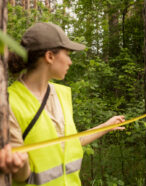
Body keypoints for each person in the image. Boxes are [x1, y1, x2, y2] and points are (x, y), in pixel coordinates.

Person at [7, 22, 125, 186]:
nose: (70, 62)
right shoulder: (8, 103)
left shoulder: (62, 94)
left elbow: (69, 143)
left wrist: (106, 126)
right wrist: (19, 166)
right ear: (50, 56)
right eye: (68, 54)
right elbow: (19, 174)